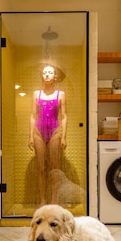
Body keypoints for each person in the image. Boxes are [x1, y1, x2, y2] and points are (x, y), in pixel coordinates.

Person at [28, 65, 67, 205]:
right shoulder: (36, 94)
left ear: (55, 76)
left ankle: (54, 199)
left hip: (55, 131)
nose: (47, 74)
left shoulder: (60, 94)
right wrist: (30, 136)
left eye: (50, 72)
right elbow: (33, 115)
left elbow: (64, 117)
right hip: (38, 131)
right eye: (44, 72)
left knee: (54, 167)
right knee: (41, 168)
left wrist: (64, 136)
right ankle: (43, 200)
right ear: (42, 76)